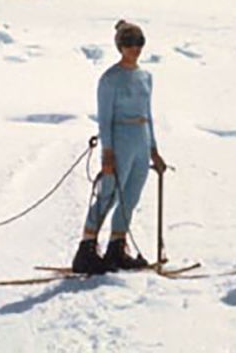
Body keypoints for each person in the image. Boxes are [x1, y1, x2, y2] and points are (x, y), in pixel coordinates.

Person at [71, 21, 167, 274]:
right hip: (121, 140)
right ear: (120, 46)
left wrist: (154, 150)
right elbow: (104, 119)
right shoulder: (110, 79)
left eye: (139, 42)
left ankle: (117, 247)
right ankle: (86, 249)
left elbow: (148, 114)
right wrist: (107, 153)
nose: (135, 48)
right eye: (129, 43)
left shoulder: (146, 77)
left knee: (131, 197)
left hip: (141, 140)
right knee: (110, 194)